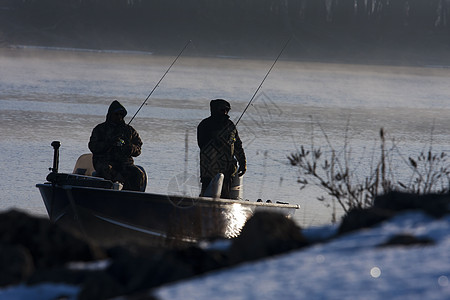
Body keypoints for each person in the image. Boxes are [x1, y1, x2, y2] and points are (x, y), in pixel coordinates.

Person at [88, 100, 145, 191]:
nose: (119, 116)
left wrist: (130, 148)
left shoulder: (129, 131)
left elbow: (138, 148)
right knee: (106, 170)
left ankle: (131, 197)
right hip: (104, 162)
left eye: (121, 114)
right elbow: (93, 147)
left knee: (137, 173)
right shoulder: (100, 129)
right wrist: (109, 143)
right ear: (110, 114)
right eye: (116, 114)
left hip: (124, 164)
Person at [197, 99, 246, 198]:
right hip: (209, 171)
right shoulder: (205, 125)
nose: (225, 112)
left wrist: (242, 163)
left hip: (228, 171)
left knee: (226, 197)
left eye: (227, 110)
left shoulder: (230, 126)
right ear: (214, 110)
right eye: (222, 110)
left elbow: (238, 146)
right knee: (206, 195)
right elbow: (202, 145)